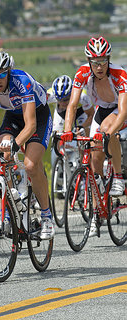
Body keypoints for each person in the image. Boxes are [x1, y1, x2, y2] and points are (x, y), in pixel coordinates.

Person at [0, 49, 55, 240]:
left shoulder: (21, 81)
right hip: (12, 117)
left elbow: (31, 124)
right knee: (4, 157)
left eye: (2, 75)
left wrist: (16, 144)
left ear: (8, 72)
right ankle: (10, 208)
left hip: (37, 117)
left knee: (31, 165)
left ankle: (46, 216)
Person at [61, 36, 127, 236]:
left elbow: (123, 111)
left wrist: (109, 133)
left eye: (103, 61)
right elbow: (72, 105)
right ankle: (97, 213)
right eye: (95, 62)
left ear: (109, 59)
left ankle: (117, 176)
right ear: (89, 61)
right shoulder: (82, 73)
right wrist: (66, 131)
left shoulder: (120, 74)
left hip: (119, 111)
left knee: (107, 131)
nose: (99, 67)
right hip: (101, 110)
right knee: (94, 162)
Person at [48, 75, 94, 166]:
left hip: (80, 113)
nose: (62, 103)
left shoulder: (83, 95)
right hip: (61, 113)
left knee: (83, 139)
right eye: (59, 100)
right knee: (56, 137)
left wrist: (82, 127)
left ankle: (85, 167)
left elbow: (91, 115)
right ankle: (60, 165)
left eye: (65, 99)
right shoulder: (49, 95)